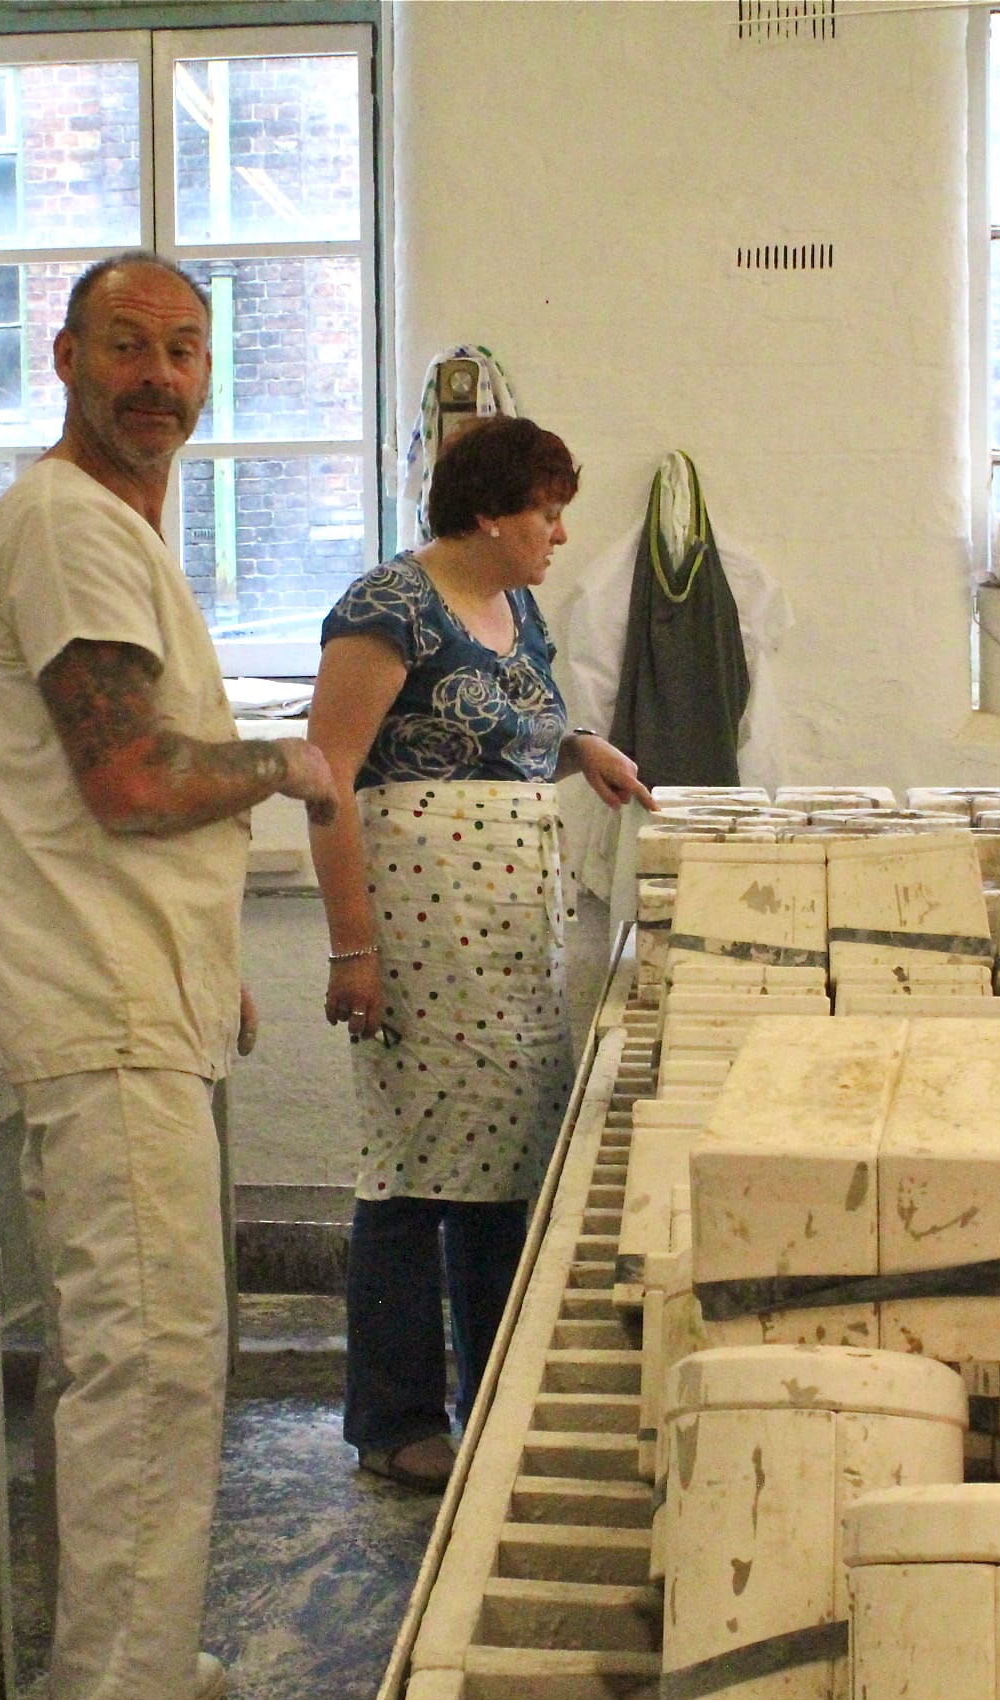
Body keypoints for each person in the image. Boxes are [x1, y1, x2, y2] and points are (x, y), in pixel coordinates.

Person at [0, 250, 338, 1700]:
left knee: (130, 1362)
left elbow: (124, 798)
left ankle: (126, 1670)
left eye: (184, 351)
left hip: (134, 991)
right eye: (127, 346)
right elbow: (127, 779)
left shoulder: (111, 526)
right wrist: (287, 761)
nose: (159, 378)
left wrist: (206, 965)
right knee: (154, 1370)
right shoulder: (69, 528)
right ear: (65, 358)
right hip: (104, 1010)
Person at [304, 417, 655, 1491]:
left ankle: (497, 1397)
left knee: (504, 1169)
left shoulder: (517, 609)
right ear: (492, 514)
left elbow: (515, 732)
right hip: (418, 936)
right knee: (415, 1172)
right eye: (547, 513)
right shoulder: (388, 607)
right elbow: (327, 779)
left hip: (511, 939)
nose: (559, 535)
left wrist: (580, 747)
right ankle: (395, 1419)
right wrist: (352, 949)